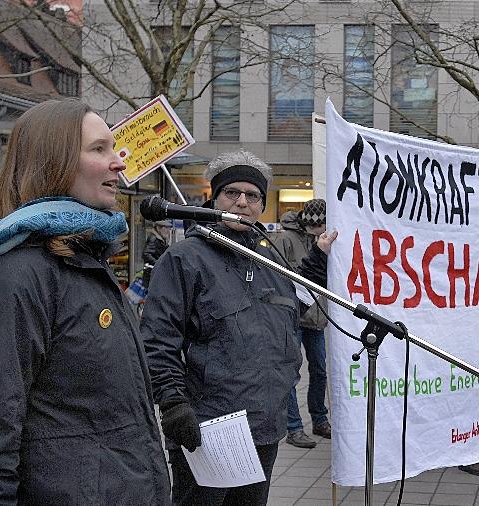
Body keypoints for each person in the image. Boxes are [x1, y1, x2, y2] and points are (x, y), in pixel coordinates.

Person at [0, 100, 170, 503]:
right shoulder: (16, 276)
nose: (119, 163)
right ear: (53, 161)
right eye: (99, 149)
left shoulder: (86, 260)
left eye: (114, 148)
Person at [141, 149, 336, 505]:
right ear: (213, 198)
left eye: (252, 195)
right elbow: (157, 340)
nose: (242, 202)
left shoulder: (268, 260)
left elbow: (297, 303)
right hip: (208, 428)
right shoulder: (184, 259)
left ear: (262, 205)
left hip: (264, 427)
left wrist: (320, 256)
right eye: (232, 193)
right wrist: (172, 403)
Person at [273, 199, 333, 449]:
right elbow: (275, 275)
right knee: (292, 372)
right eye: (316, 227)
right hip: (294, 315)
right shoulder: (286, 239)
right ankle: (294, 427)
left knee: (319, 370)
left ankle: (319, 419)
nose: (320, 232)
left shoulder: (330, 237)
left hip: (317, 316)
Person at [142, 219, 172, 288]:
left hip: (155, 273)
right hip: (151, 273)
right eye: (165, 228)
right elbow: (146, 254)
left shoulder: (162, 239)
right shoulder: (154, 238)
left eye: (168, 228)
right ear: (158, 228)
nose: (168, 230)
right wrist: (158, 263)